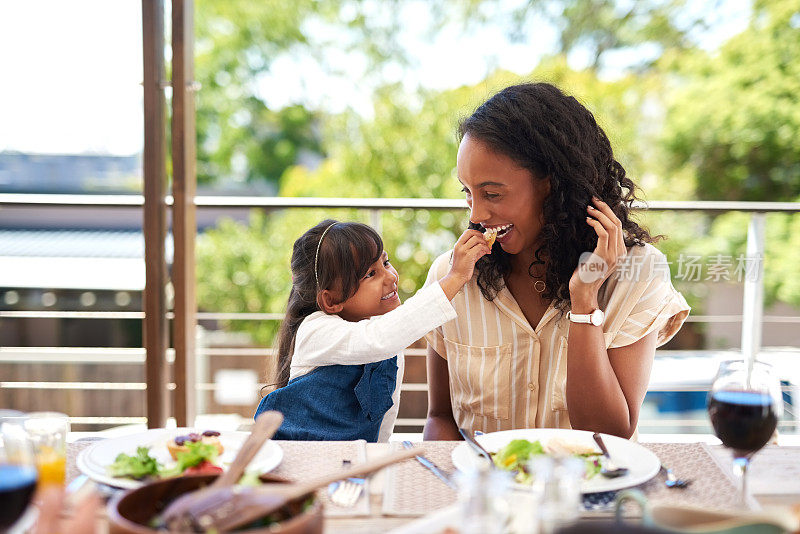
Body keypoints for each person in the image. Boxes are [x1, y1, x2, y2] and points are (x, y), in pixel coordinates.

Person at [423, 82, 690, 440]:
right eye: (468, 193)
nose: (476, 214)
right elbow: (440, 417)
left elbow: (609, 434)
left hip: (586, 490)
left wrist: (584, 298)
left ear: (552, 185)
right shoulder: (451, 276)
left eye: (492, 194)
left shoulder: (638, 274)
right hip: (485, 489)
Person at [255, 219, 490, 442]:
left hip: (351, 464)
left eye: (385, 262)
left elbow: (382, 422)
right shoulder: (315, 330)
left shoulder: (388, 340)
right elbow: (379, 339)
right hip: (293, 457)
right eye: (370, 274)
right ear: (332, 300)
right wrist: (455, 277)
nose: (390, 277)